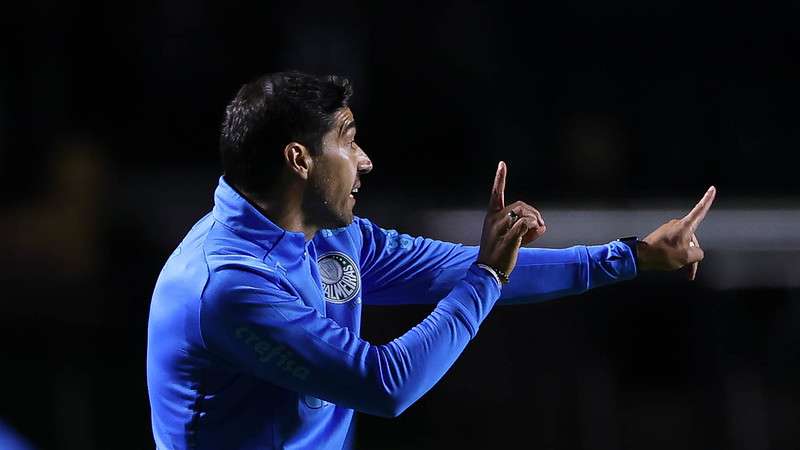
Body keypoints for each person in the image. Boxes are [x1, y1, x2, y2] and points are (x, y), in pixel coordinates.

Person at [146, 71, 715, 450]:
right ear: (298, 159)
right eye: (347, 140)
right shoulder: (228, 285)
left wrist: (632, 256)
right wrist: (488, 276)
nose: (365, 161)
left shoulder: (330, 235)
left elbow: (458, 269)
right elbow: (384, 384)